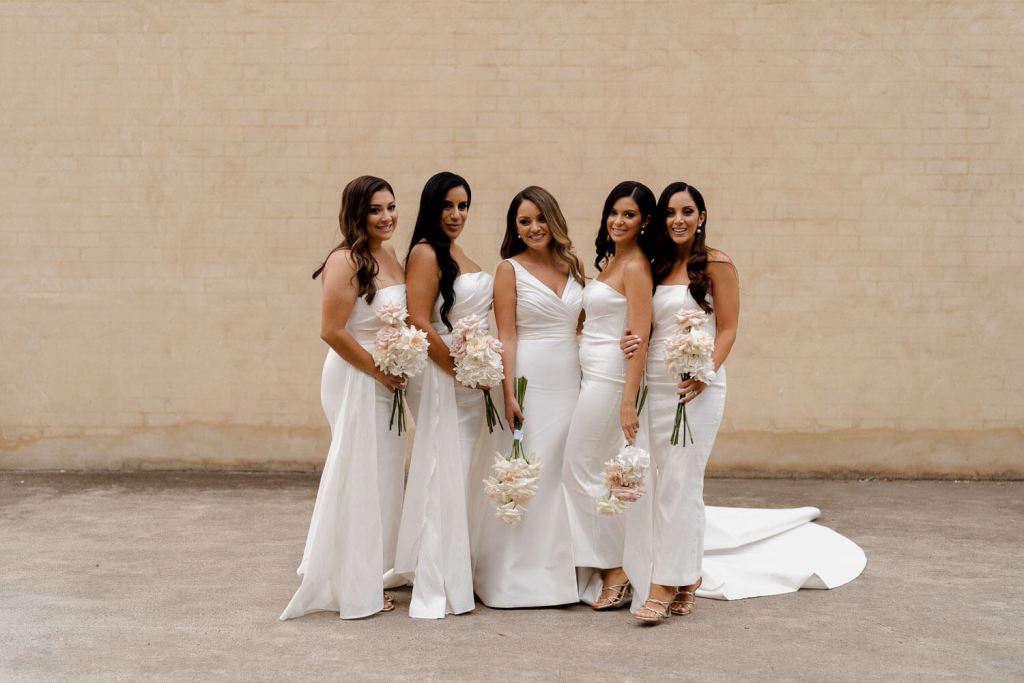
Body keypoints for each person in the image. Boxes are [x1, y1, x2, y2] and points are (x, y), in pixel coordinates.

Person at [621, 182, 866, 623]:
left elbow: (729, 328)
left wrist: (704, 372)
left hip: (697, 388)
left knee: (679, 480)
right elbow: (648, 325)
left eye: (688, 211)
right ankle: (689, 576)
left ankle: (663, 582)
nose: (679, 219)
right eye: (672, 212)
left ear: (702, 217)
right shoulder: (656, 266)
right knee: (672, 483)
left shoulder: (717, 264)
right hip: (656, 388)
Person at [280, 176, 407, 620]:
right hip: (356, 375)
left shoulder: (388, 253)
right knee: (359, 474)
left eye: (391, 206)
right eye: (375, 209)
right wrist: (379, 370)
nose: (387, 216)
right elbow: (331, 330)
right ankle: (354, 583)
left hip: (385, 376)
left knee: (382, 475)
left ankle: (367, 567)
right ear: (357, 213)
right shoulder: (346, 260)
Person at [470, 186, 585, 607]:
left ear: (553, 219)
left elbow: (582, 326)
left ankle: (571, 570)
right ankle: (517, 576)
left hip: (571, 378)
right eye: (524, 221)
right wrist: (508, 391)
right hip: (530, 380)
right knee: (531, 466)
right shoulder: (509, 270)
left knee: (565, 468)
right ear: (514, 228)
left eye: (539, 218)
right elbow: (506, 334)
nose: (534, 227)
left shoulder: (574, 265)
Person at [394, 171, 494, 619]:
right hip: (443, 378)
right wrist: (459, 370)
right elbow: (418, 319)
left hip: (470, 379)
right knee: (442, 468)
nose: (456, 215)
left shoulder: (457, 252)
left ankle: (448, 564)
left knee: (457, 470)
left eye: (464, 206)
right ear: (432, 207)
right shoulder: (425, 252)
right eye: (448, 206)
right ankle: (438, 577)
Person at [561, 181, 655, 610]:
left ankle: (616, 568)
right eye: (614, 213)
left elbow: (641, 334)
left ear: (645, 222)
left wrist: (627, 401)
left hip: (611, 379)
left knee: (578, 467)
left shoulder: (635, 266)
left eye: (629, 215)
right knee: (595, 470)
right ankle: (608, 560)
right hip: (591, 371)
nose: (618, 221)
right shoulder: (613, 260)